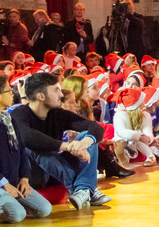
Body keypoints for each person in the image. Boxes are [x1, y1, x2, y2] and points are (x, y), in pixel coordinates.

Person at [10, 72, 109, 210]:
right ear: (41, 96)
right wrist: (67, 146)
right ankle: (84, 190)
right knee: (35, 148)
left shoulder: (57, 113)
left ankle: (83, 190)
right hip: (33, 176)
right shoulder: (20, 113)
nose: (61, 95)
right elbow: (28, 137)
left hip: (56, 172)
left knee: (86, 136)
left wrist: (84, 143)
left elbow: (95, 127)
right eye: (56, 90)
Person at [0, 73, 52, 223]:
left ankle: (12, 202)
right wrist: (5, 185)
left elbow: (21, 151)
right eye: (9, 90)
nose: (13, 93)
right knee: (17, 215)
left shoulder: (9, 120)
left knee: (44, 209)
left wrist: (24, 179)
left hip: (15, 182)